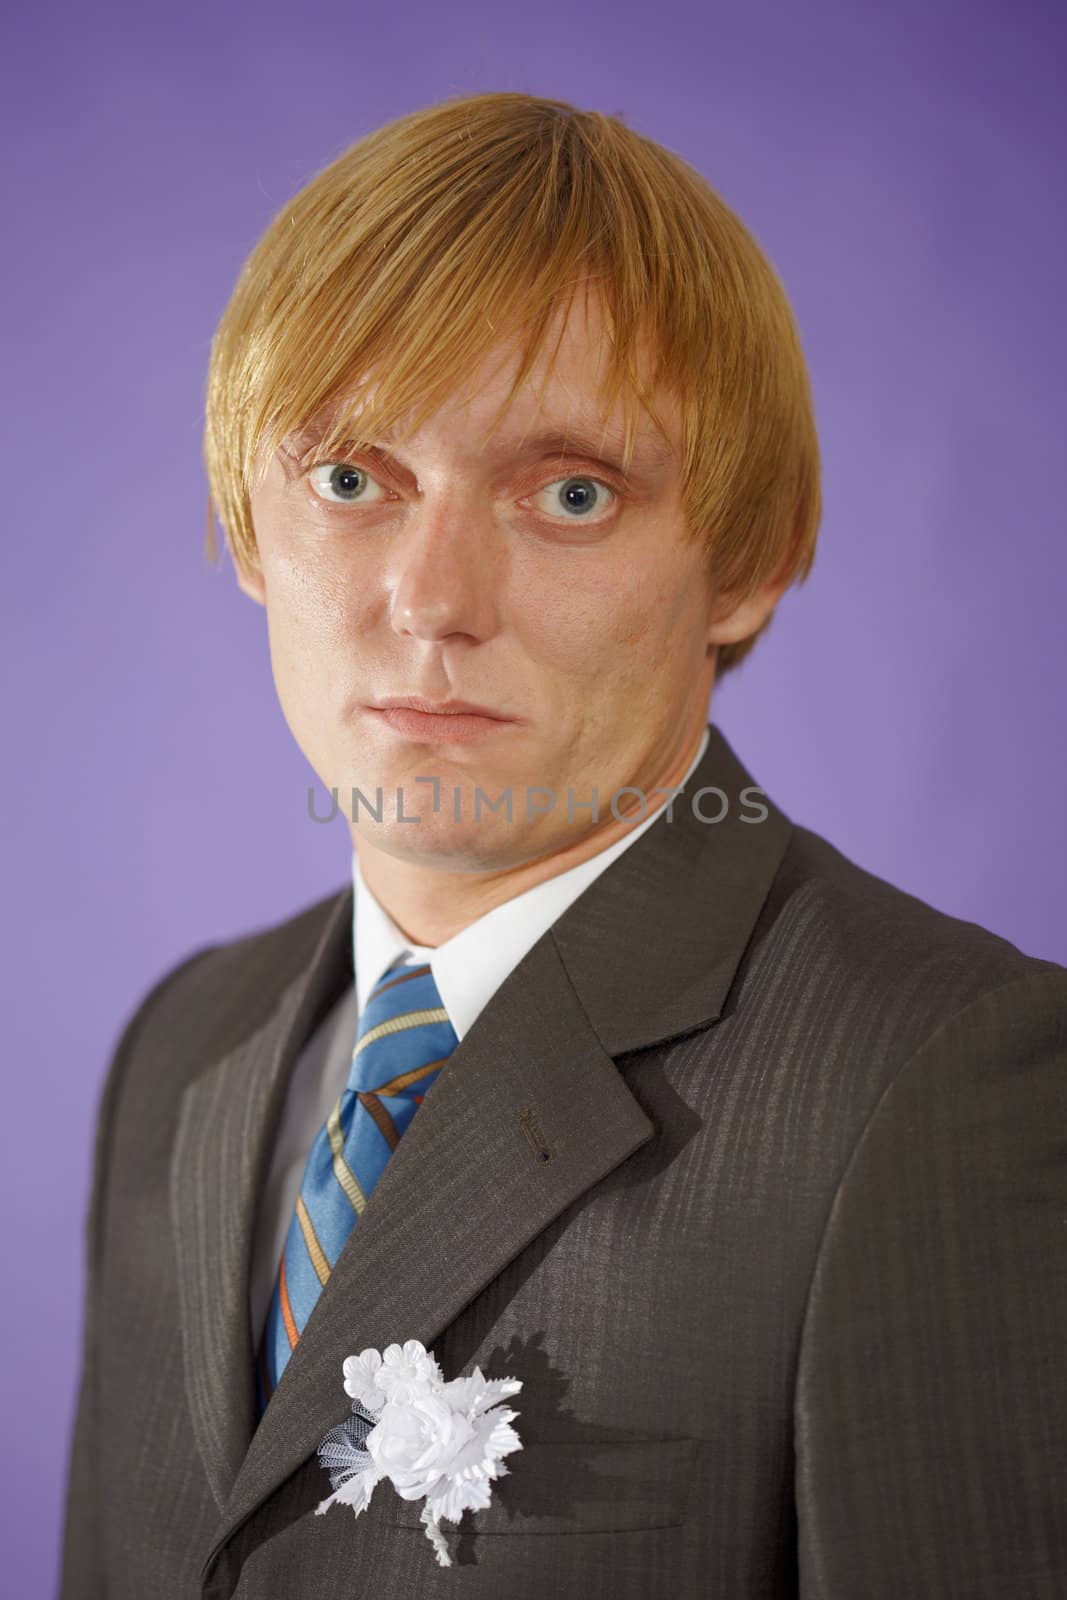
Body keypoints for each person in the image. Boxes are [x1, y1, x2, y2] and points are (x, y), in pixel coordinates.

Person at [59, 91, 1067, 1599]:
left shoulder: (938, 1079)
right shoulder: (179, 1052)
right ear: (248, 525)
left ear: (749, 562)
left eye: (571, 493)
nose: (433, 597)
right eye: (351, 478)